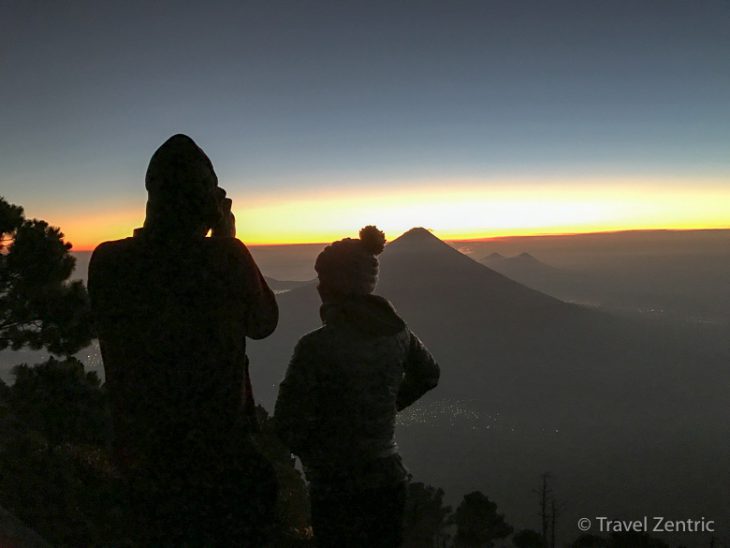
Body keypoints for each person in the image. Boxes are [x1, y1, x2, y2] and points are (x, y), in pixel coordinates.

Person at [88, 134, 278, 545]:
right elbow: (263, 323)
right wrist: (226, 238)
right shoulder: (226, 257)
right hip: (219, 457)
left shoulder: (108, 260)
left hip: (139, 454)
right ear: (207, 203)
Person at [274, 226, 440, 548]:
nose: (319, 286)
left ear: (338, 283)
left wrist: (315, 449)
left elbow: (286, 424)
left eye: (323, 277)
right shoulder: (398, 333)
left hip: (335, 486)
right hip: (390, 479)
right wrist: (385, 405)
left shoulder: (316, 346)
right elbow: (429, 374)